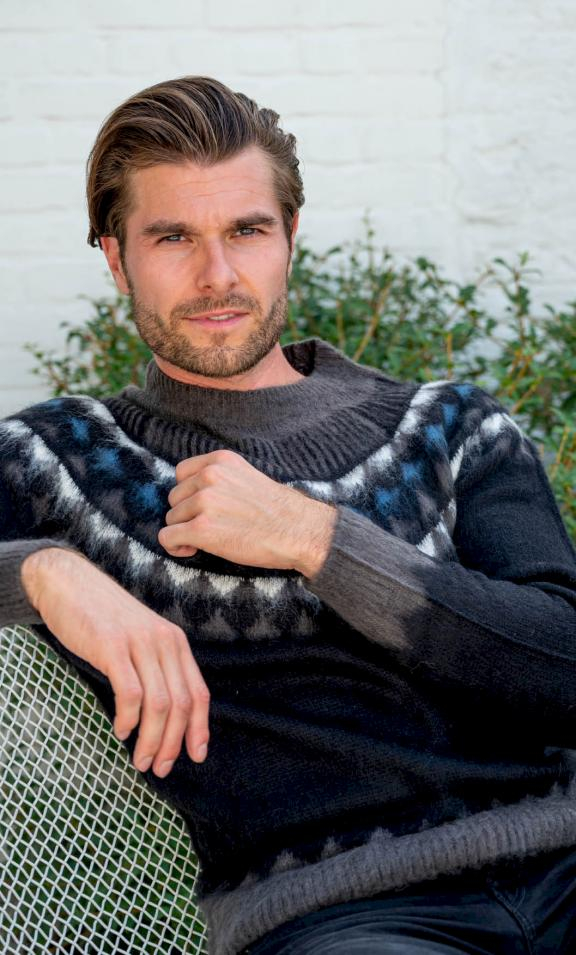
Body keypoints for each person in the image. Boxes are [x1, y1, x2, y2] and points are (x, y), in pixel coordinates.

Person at [1, 76, 576, 955]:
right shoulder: (59, 461)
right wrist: (42, 571)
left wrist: (314, 538)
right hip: (343, 918)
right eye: (172, 237)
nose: (218, 275)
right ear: (116, 259)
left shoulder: (453, 427)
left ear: (290, 238)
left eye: (247, 230)